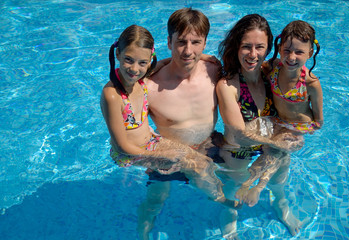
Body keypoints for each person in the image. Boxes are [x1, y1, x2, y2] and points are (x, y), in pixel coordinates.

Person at [100, 25, 233, 239]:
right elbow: (121, 146)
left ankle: (144, 230)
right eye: (128, 60)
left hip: (151, 142)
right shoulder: (112, 95)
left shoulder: (141, 81)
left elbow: (162, 63)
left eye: (142, 62)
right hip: (131, 153)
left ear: (149, 61)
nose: (134, 68)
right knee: (197, 165)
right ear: (117, 54)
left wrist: (201, 56)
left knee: (161, 192)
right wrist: (159, 155)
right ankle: (220, 199)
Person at [137, 8, 229, 240]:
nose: (188, 51)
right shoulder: (149, 87)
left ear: (205, 42)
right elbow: (136, 132)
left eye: (196, 42)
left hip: (209, 146)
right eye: (181, 42)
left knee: (228, 185)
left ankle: (229, 225)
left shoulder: (215, 70)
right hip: (169, 156)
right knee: (155, 200)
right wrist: (155, 154)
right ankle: (143, 235)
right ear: (168, 42)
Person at [216, 14, 307, 237]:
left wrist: (296, 133)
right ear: (236, 46)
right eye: (246, 46)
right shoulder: (228, 86)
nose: (253, 54)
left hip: (269, 145)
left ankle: (281, 204)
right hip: (238, 149)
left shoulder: (272, 74)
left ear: (268, 49)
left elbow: (298, 97)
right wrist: (275, 141)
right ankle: (230, 214)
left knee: (279, 179)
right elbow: (238, 132)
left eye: (260, 47)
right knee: (233, 186)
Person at [236, 20, 324, 209]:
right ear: (279, 47)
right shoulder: (273, 69)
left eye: (299, 52)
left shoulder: (310, 83)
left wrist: (312, 128)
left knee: (276, 151)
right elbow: (251, 64)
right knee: (268, 148)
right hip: (277, 121)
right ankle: (251, 184)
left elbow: (319, 117)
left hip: (297, 127)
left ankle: (256, 186)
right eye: (287, 50)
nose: (291, 57)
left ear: (310, 53)